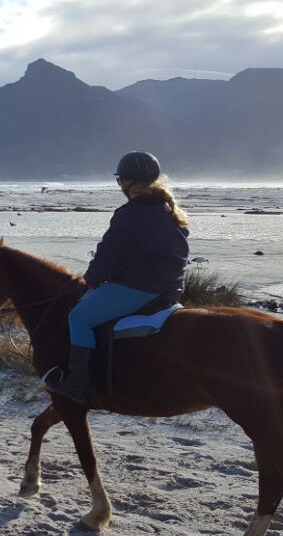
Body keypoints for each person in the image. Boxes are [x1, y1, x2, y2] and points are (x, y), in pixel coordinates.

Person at [45, 151, 190, 404]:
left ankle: (78, 384)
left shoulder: (130, 213)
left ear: (126, 182)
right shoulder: (166, 208)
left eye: (120, 180)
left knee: (78, 318)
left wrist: (91, 278)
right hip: (171, 287)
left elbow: (108, 256)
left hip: (141, 287)